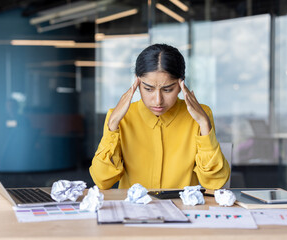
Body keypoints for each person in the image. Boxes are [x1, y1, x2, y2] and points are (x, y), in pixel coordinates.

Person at [89, 43, 230, 190]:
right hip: (134, 210)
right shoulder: (119, 117)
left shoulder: (200, 115)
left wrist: (204, 124)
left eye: (168, 89)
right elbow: (102, 180)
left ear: (181, 84)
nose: (158, 100)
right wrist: (112, 128)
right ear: (137, 83)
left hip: (183, 210)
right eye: (148, 89)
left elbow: (215, 183)